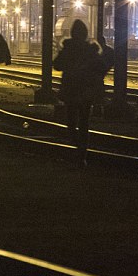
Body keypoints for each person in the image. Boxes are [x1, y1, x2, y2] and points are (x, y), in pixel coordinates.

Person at [53, 19, 109, 167]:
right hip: (86, 91)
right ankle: (82, 154)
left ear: (72, 33)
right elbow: (103, 66)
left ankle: (77, 147)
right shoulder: (91, 50)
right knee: (84, 124)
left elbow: (57, 65)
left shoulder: (68, 48)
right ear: (85, 34)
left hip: (71, 90)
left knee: (71, 123)